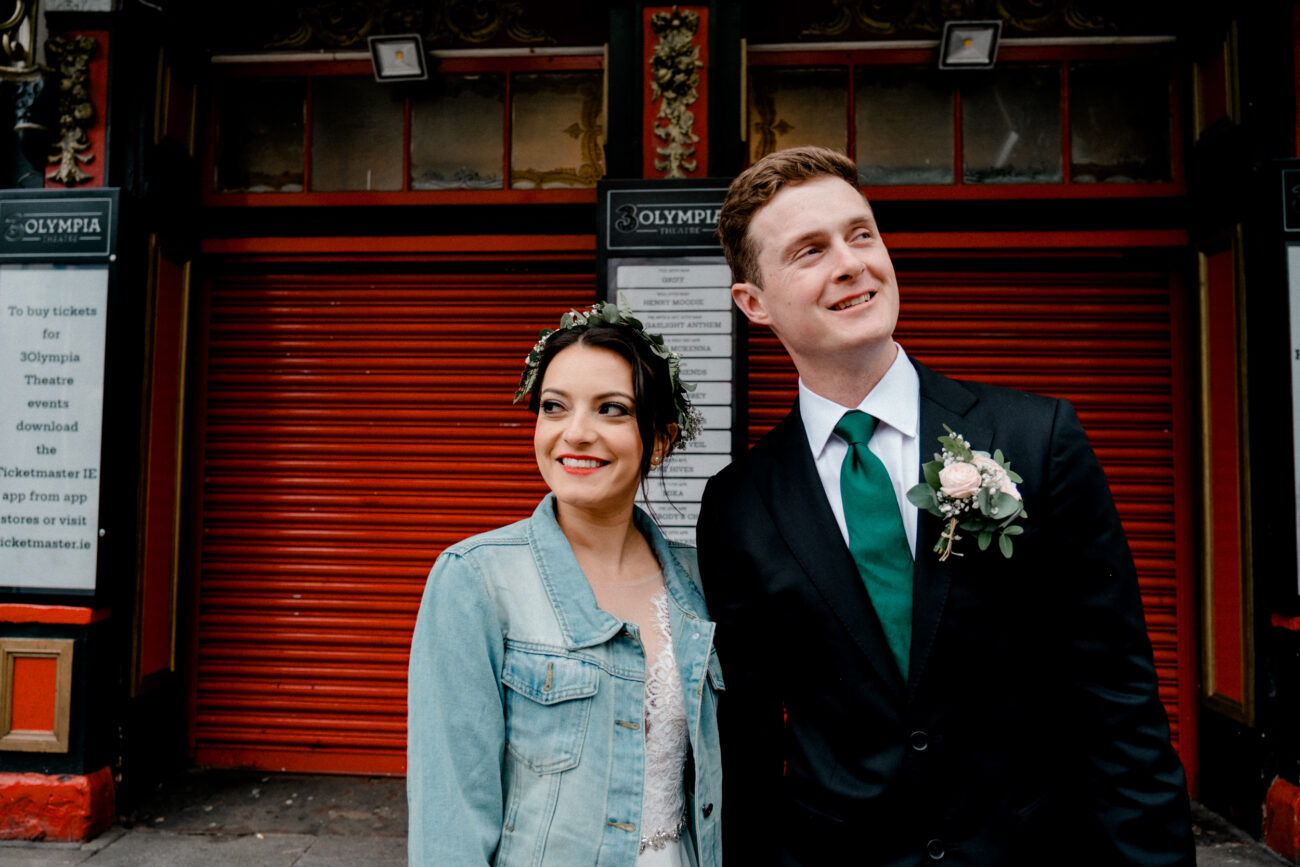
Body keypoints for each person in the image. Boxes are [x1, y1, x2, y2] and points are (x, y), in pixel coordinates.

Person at [697, 146, 1194, 865]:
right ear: (754, 302)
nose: (850, 262)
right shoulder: (739, 503)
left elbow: (1117, 698)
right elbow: (747, 741)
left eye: (861, 233)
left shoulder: (1035, 438)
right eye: (810, 251)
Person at [407, 302, 722, 866]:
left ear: (660, 440)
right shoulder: (475, 580)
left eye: (611, 409)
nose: (575, 434)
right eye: (554, 407)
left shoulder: (701, 583)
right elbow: (449, 819)